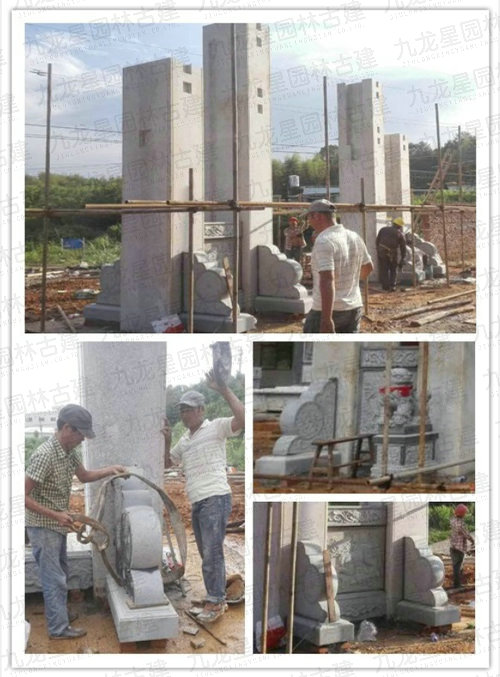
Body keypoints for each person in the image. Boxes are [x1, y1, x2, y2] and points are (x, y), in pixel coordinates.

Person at [25, 404, 127, 640]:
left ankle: (58, 615)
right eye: (81, 434)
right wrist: (56, 515)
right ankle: (58, 629)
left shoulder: (70, 451)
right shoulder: (44, 455)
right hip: (43, 526)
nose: (83, 439)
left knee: (61, 572)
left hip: (57, 524)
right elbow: (22, 495)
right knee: (54, 578)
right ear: (67, 428)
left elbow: (84, 476)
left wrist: (110, 470)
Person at [161, 372, 244, 623]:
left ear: (201, 410)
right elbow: (167, 463)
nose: (184, 414)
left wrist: (224, 389)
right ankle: (215, 596)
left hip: (215, 497)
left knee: (212, 552)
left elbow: (243, 419)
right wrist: (167, 440)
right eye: (182, 410)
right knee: (207, 553)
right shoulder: (185, 440)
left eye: (188, 409)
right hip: (198, 500)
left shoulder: (216, 427)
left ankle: (216, 601)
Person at [302, 199, 373, 333]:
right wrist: (348, 283)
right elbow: (368, 267)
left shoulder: (324, 240)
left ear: (317, 216)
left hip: (328, 311)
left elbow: (327, 279)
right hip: (353, 308)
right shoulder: (354, 236)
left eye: (309, 217)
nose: (309, 222)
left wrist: (326, 319)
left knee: (315, 345)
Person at [375, 217, 407, 291]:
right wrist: (403, 258)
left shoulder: (383, 229)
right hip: (392, 253)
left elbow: (377, 241)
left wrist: (378, 250)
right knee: (393, 269)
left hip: (381, 251)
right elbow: (403, 247)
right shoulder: (399, 233)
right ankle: (392, 286)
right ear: (399, 226)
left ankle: (385, 286)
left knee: (384, 268)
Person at [449, 504, 474, 589]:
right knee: (458, 567)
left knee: (455, 566)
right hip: (459, 548)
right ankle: (457, 585)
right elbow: (466, 534)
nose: (465, 514)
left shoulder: (452, 520)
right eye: (465, 513)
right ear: (462, 513)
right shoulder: (461, 523)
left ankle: (458, 583)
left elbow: (459, 530)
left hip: (452, 546)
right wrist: (472, 540)